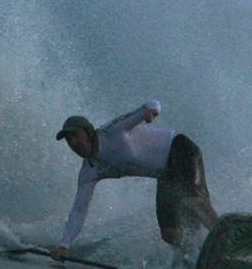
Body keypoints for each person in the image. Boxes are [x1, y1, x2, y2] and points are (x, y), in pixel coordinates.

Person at [51, 100, 217, 260]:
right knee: (169, 234)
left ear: (89, 132)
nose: (73, 142)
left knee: (189, 199)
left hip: (180, 149)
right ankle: (199, 253)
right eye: (68, 140)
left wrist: (151, 112)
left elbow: (151, 104)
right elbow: (79, 211)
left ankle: (221, 233)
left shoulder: (112, 132)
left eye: (76, 135)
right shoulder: (89, 172)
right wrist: (64, 245)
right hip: (166, 174)